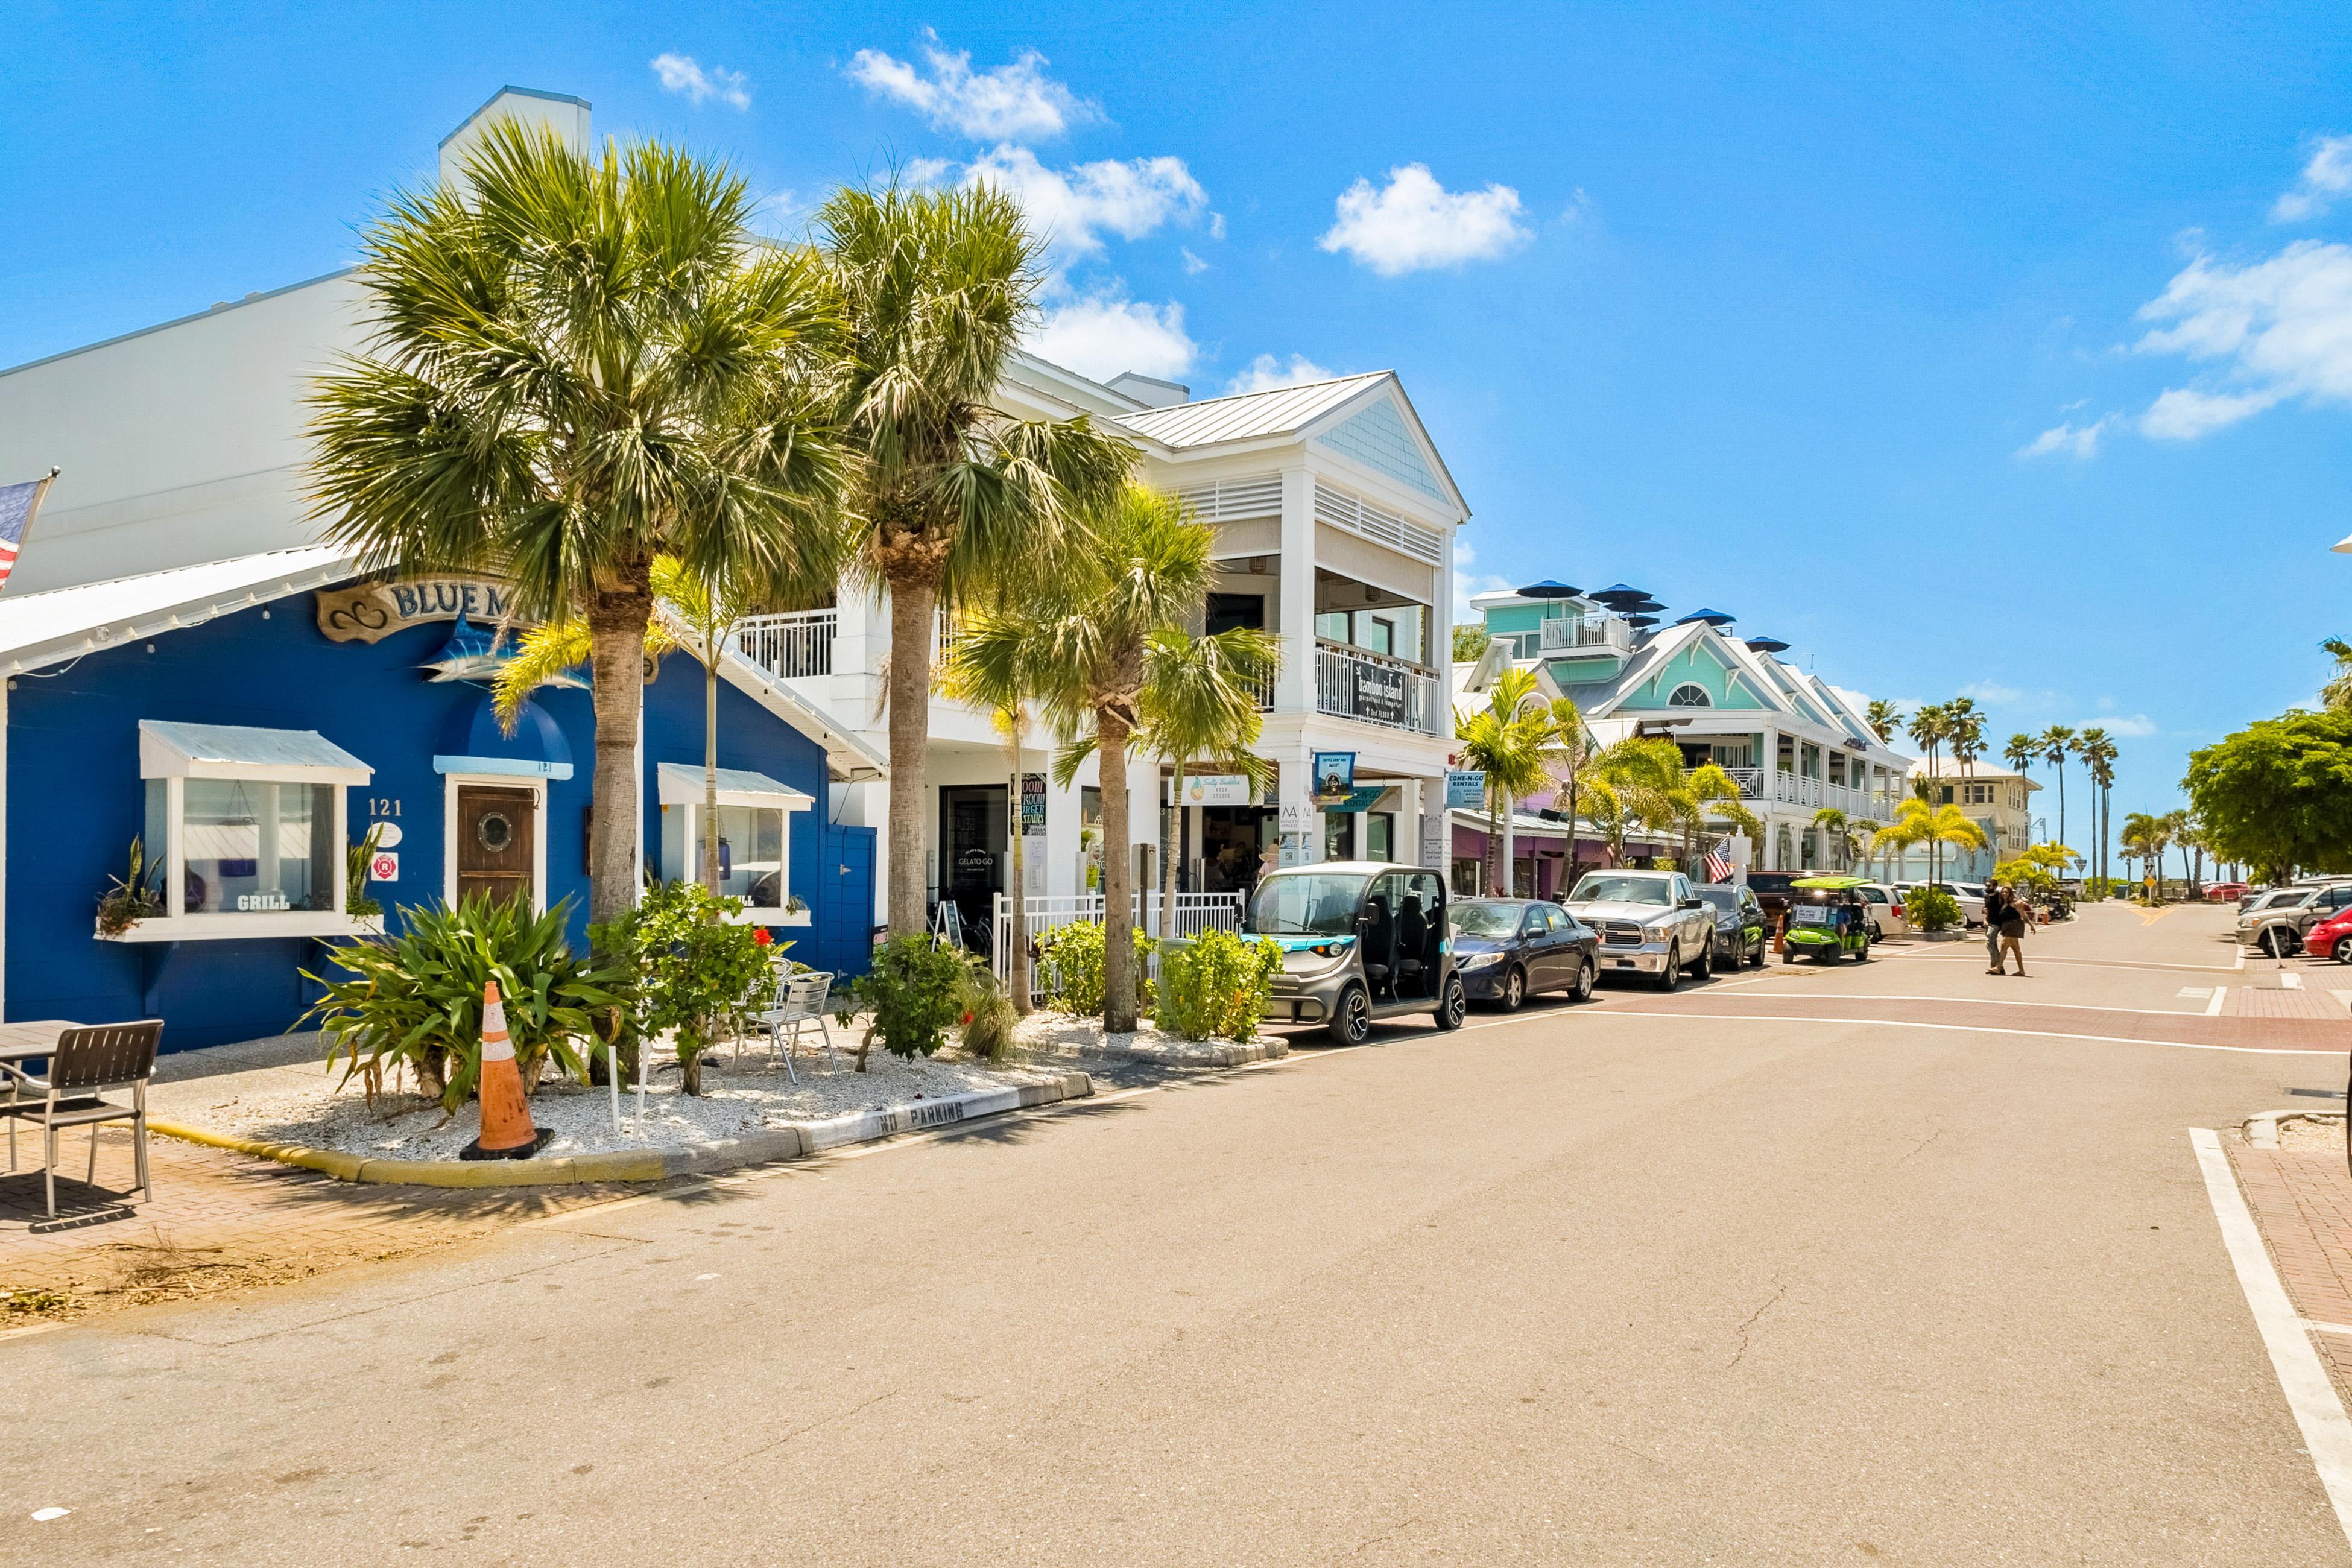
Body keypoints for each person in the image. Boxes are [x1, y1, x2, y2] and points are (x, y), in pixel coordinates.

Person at [1997, 888, 2029, 976]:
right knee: (2016, 950)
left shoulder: (2015, 902)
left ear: (2010, 893)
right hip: (2007, 927)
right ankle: (2021, 970)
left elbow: (2023, 914)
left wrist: (2031, 925)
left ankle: (1998, 968)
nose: (2004, 894)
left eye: (2006, 892)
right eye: (2003, 892)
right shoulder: (2003, 903)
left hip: (2014, 926)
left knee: (2004, 946)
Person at [1983, 882, 2010, 974]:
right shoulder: (1987, 897)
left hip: (1998, 923)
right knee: (1992, 944)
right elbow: (1987, 910)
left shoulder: (2000, 897)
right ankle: (1998, 967)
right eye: (1986, 885)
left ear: (1995, 887)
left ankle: (1996, 965)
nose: (1987, 887)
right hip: (1990, 923)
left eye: (1989, 886)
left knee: (1989, 943)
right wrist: (1985, 919)